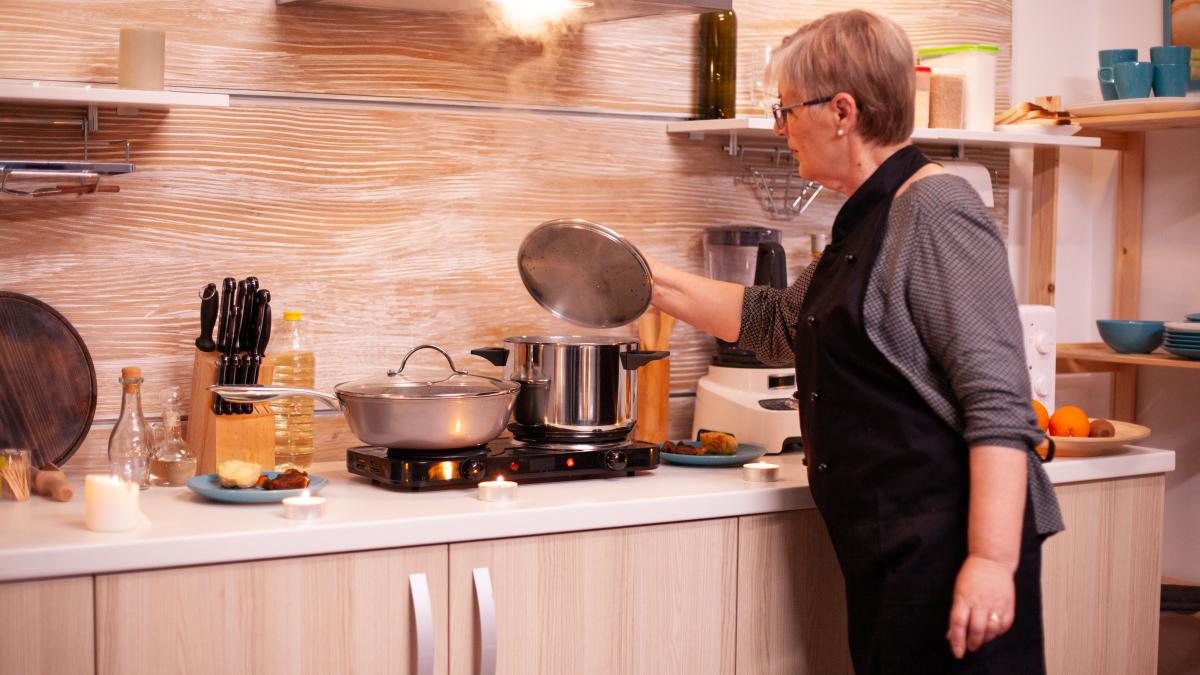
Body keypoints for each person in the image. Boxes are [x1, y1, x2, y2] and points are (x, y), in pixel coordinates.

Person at [646, 10, 1063, 673]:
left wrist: (990, 562)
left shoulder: (937, 209)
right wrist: (645, 280)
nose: (779, 128)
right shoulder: (869, 219)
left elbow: (999, 406)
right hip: (894, 549)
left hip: (951, 549)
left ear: (842, 111)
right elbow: (778, 323)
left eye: (786, 110)